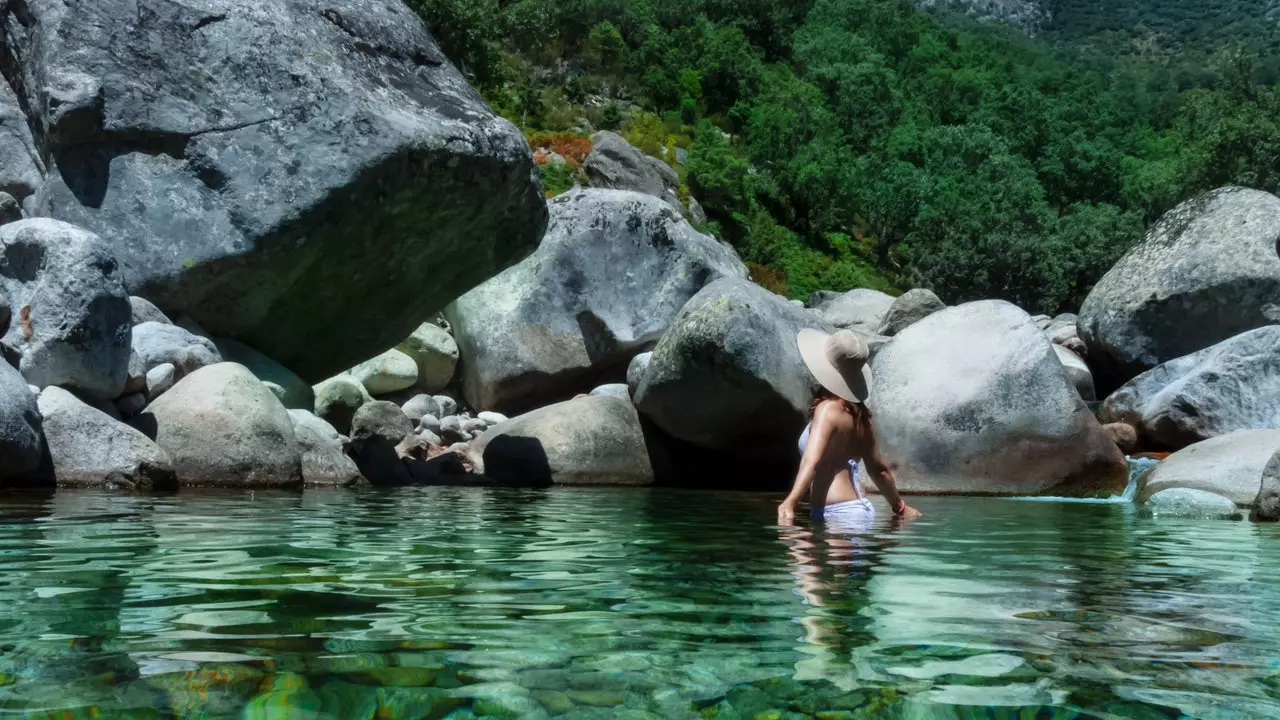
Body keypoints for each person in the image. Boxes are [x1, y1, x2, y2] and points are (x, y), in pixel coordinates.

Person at [778, 329, 920, 527]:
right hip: (850, 511)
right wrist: (900, 508)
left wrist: (790, 502)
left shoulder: (826, 409)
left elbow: (812, 459)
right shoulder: (860, 417)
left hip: (839, 513)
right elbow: (879, 471)